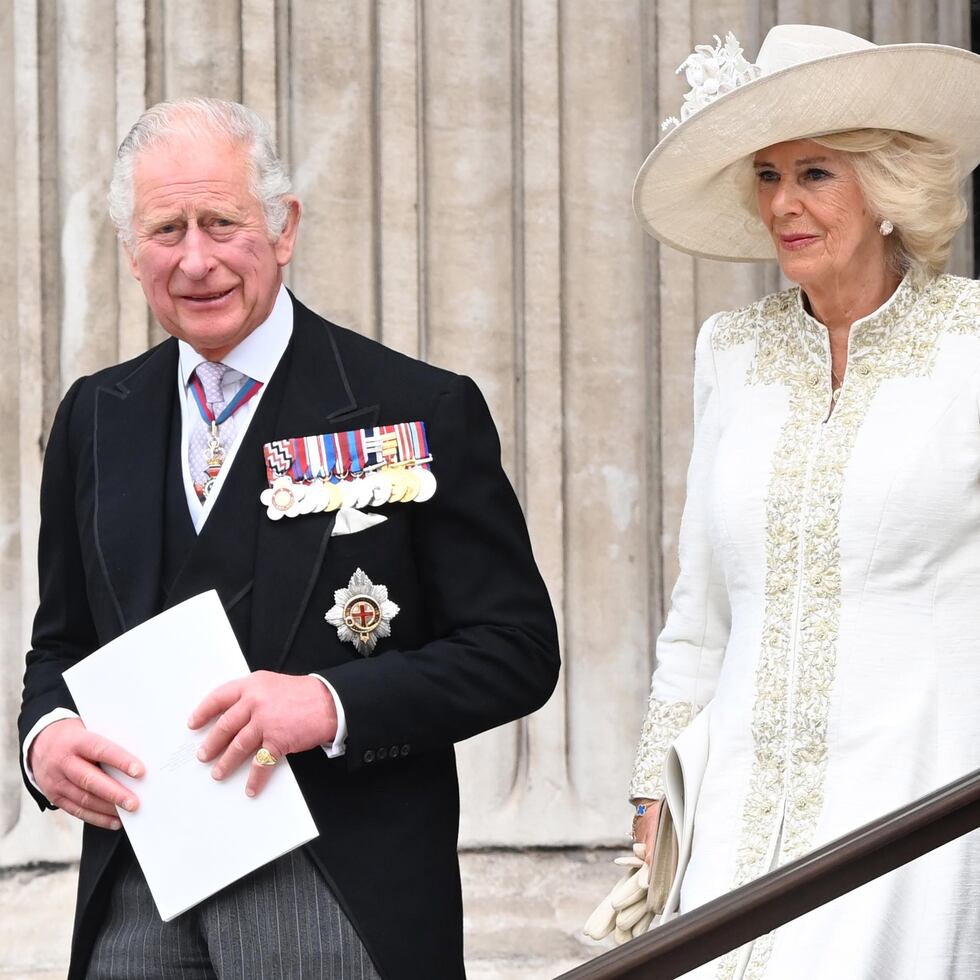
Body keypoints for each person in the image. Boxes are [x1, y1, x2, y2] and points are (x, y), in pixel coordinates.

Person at [18, 97, 559, 980]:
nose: (196, 259)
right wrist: (46, 740)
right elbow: (62, 644)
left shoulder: (417, 407)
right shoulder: (94, 418)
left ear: (283, 228)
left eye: (222, 222)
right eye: (166, 229)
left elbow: (516, 651)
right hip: (136, 893)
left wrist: (330, 704)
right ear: (131, 250)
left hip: (337, 887)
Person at [626, 24, 980, 978]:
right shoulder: (730, 351)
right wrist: (653, 791)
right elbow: (700, 605)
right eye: (768, 174)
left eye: (815, 173)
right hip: (740, 806)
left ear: (886, 183)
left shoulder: (973, 346)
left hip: (921, 797)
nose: (784, 203)